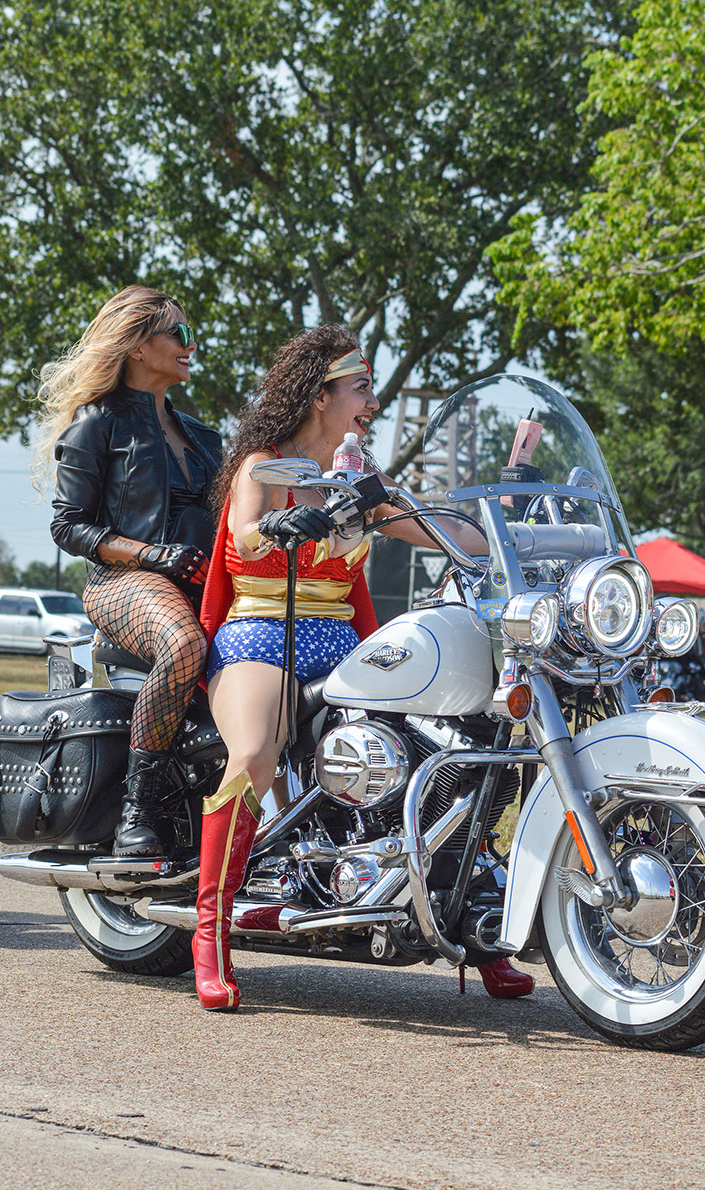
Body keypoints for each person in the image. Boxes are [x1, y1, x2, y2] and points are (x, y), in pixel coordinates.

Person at [193, 323, 534, 1010]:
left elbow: (452, 533)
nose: (372, 403)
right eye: (361, 389)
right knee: (255, 754)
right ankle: (210, 936)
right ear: (321, 396)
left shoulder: (358, 481)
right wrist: (284, 527)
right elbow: (243, 533)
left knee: (459, 746)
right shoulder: (265, 463)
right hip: (261, 633)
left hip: (343, 643)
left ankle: (479, 929)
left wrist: (512, 529)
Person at [37, 285, 222, 858]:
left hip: (205, 584)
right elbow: (68, 527)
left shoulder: (206, 438)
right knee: (184, 645)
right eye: (180, 334)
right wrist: (148, 554)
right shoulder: (98, 423)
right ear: (139, 345)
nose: (192, 344)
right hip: (122, 582)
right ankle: (137, 809)